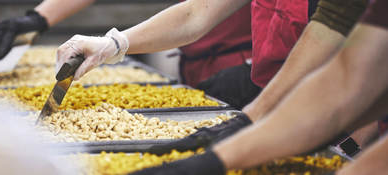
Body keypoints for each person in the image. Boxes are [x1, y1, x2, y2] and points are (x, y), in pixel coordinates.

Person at [55, 0, 368, 154]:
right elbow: (196, 13)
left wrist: (350, 149)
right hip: (270, 105)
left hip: (342, 118)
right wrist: (114, 44)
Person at [128, 0, 388, 174]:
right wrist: (241, 131)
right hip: (299, 105)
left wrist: (352, 147)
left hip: (334, 118)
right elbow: (349, 71)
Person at [0, 0, 253, 104]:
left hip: (250, 68)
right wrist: (39, 18)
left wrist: (256, 67)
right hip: (197, 62)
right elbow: (193, 16)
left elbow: (195, 16)